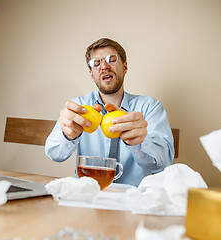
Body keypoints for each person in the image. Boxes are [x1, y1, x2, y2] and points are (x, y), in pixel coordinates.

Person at [45, 38, 174, 186]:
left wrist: (139, 142)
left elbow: (163, 163)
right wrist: (67, 136)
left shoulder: (150, 107)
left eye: (111, 59)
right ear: (91, 73)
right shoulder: (79, 107)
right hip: (89, 194)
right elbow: (53, 153)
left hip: (134, 197)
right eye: (96, 63)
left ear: (125, 67)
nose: (104, 67)